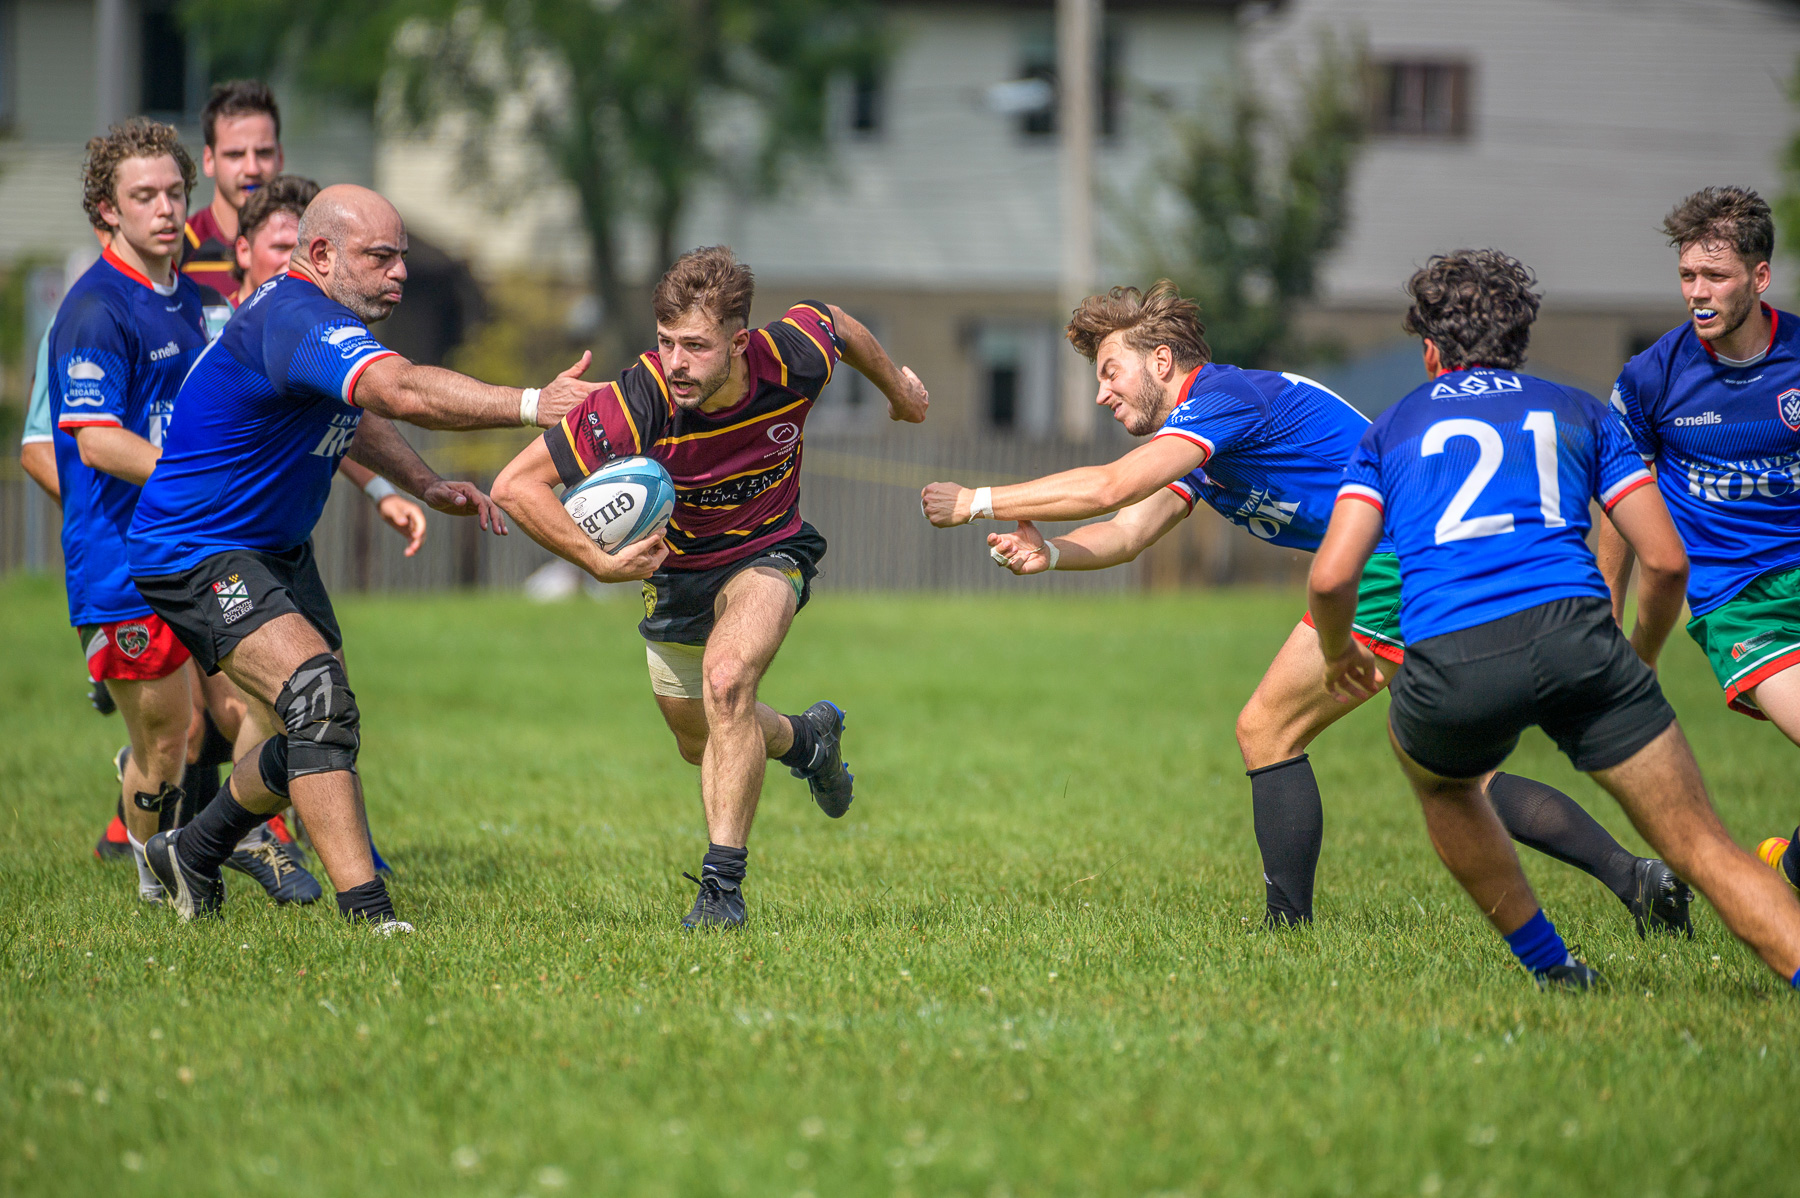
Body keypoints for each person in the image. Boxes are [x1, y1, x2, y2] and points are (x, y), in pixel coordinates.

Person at [923, 281, 1690, 935]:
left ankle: (1287, 934)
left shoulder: (1223, 399)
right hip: (1419, 564)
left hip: (1394, 562)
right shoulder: (1207, 436)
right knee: (1460, 771)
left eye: (1112, 371)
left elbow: (1112, 486)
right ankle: (1637, 880)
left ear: (1163, 362)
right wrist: (1049, 553)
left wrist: (976, 501)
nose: (1102, 391)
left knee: (1268, 727)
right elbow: (1128, 529)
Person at [1310, 249, 1800, 990]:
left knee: (1444, 784)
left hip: (1451, 659)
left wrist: (1339, 650)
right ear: (1520, 342)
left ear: (1430, 349)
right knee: (1702, 846)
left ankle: (1553, 966)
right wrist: (1639, 652)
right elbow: (1664, 561)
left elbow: (1332, 574)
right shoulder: (1579, 411)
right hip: (1579, 639)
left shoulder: (1389, 431)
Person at [133, 184, 595, 930]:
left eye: (403, 257)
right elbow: (399, 389)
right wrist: (531, 402)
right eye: (380, 257)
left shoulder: (323, 323)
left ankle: (191, 848)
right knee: (316, 699)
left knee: (324, 722)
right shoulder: (295, 315)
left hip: (271, 549)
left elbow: (357, 407)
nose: (400, 273)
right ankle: (371, 920)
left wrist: (419, 480)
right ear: (321, 255)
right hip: (195, 550)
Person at [492, 246, 930, 928]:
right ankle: (808, 740)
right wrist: (597, 562)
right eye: (665, 343)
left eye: (695, 346)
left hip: (768, 551)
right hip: (673, 578)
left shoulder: (790, 359)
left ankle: (721, 891)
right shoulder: (638, 401)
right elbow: (515, 487)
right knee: (702, 741)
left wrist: (900, 395)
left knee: (728, 683)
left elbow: (837, 323)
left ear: (739, 342)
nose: (676, 363)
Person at [49, 118, 251, 903]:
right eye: (144, 196)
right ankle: (151, 878)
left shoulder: (195, 302)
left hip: (191, 546)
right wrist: (195, 474)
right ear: (107, 210)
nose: (165, 209)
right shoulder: (96, 310)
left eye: (174, 192)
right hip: (121, 560)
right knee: (167, 741)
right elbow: (97, 443)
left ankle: (222, 847)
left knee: (243, 707)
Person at [1595, 188, 1800, 888]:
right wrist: (1607, 617)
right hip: (1740, 603)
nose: (1699, 293)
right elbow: (1621, 502)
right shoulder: (1652, 378)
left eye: (1715, 277)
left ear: (1759, 277)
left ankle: (1791, 865)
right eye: (1688, 277)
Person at [181, 80, 283, 299]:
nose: (252, 168)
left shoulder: (303, 248)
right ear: (208, 161)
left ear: (280, 157)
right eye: (235, 154)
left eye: (264, 153)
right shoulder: (178, 247)